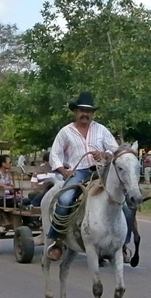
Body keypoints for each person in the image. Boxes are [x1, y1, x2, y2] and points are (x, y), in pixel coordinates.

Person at [45, 91, 122, 261]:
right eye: (81, 110)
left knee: (123, 200)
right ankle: (57, 241)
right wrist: (64, 171)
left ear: (92, 113)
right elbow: (54, 155)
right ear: (75, 112)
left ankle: (122, 244)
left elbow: (115, 150)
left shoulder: (101, 129)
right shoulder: (66, 132)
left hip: (101, 171)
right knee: (65, 199)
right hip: (78, 171)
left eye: (88, 111)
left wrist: (103, 154)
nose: (85, 114)